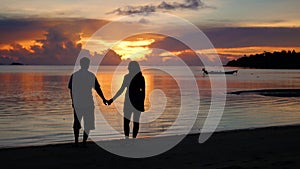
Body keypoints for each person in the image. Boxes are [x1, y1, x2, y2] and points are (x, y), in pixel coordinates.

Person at [68, 57, 107, 146]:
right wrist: (103, 99)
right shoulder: (90, 75)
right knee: (87, 123)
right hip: (88, 102)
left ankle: (76, 142)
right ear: (88, 65)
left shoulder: (75, 75)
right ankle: (84, 142)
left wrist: (73, 101)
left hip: (78, 102)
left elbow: (71, 90)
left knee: (77, 123)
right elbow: (98, 89)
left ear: (81, 64)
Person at [108, 61, 145, 139]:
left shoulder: (133, 77)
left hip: (132, 102)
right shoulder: (139, 77)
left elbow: (121, 90)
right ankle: (131, 138)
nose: (128, 68)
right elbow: (143, 92)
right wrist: (112, 100)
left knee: (128, 122)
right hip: (135, 102)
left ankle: (128, 139)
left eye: (129, 67)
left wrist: (112, 100)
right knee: (133, 121)